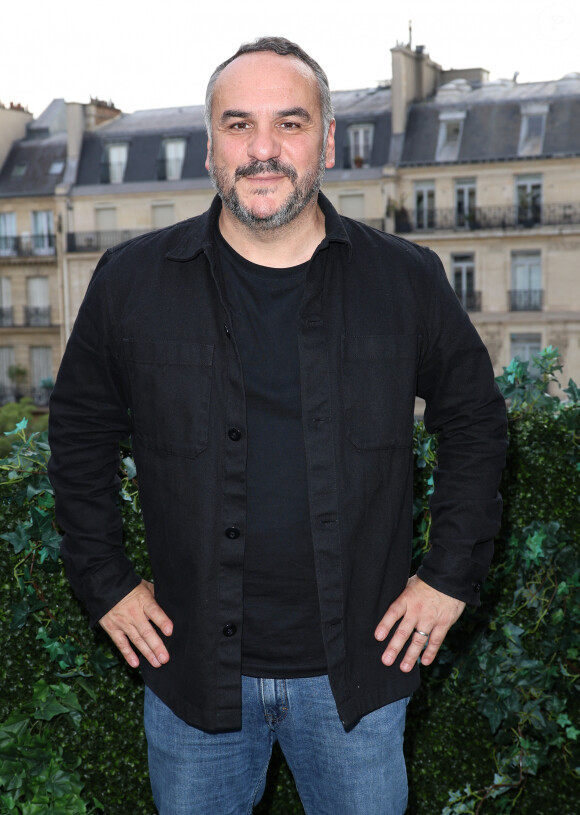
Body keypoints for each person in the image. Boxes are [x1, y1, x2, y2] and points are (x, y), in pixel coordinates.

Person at [48, 36, 507, 815]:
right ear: (210, 147)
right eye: (238, 126)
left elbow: (475, 421)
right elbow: (80, 432)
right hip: (192, 677)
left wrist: (447, 577)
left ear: (328, 140)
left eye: (290, 124)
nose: (263, 150)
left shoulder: (405, 280)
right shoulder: (130, 282)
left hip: (359, 679)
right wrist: (106, 582)